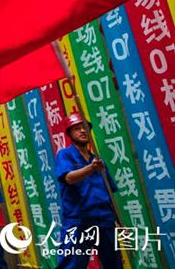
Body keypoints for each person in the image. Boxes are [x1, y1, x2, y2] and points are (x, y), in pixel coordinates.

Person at [55, 113, 122, 269]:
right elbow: (69, 178)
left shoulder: (98, 161)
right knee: (71, 264)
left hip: (104, 219)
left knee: (114, 263)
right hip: (78, 220)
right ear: (70, 134)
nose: (83, 131)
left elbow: (109, 193)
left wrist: (119, 221)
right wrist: (91, 168)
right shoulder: (65, 155)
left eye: (85, 127)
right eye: (77, 129)